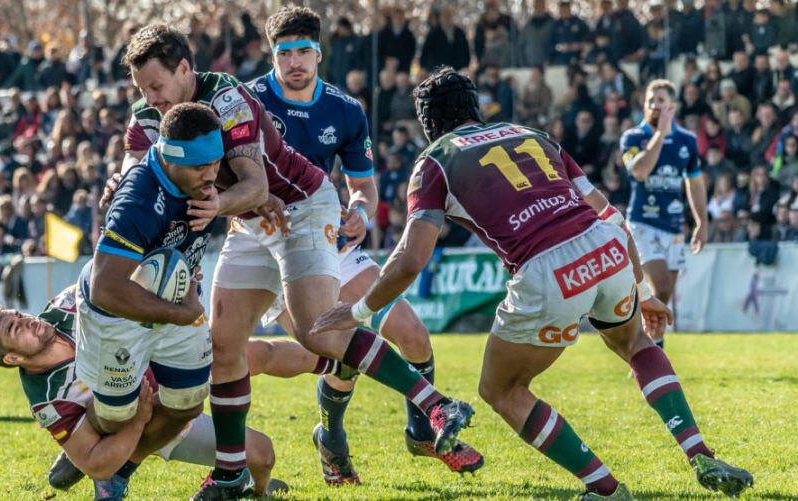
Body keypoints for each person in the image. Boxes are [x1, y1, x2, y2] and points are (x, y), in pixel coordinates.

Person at [312, 66, 754, 500]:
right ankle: (700, 454)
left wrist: (358, 311)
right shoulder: (531, 134)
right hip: (606, 247)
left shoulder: (436, 160)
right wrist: (641, 288)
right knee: (636, 343)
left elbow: (410, 260)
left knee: (499, 390)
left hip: (546, 268)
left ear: (428, 124)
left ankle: (605, 489)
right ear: (476, 108)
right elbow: (608, 211)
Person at [117, 25, 475, 500]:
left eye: (157, 86)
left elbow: (257, 186)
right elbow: (133, 174)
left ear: (185, 69)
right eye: (143, 90)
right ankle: (230, 475)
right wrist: (119, 189)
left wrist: (217, 204)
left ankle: (435, 404)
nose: (151, 98)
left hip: (302, 206)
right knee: (224, 347)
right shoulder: (147, 116)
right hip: (249, 221)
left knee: (320, 331)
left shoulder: (226, 99)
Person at [245, 6, 482, 484]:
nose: (294, 62)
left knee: (413, 332)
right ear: (273, 55)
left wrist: (359, 209)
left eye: (303, 52)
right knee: (339, 350)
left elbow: (364, 188)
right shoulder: (247, 102)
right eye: (284, 53)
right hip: (266, 242)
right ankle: (331, 438)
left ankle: (421, 433)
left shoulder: (346, 110)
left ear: (319, 53)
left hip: (329, 238)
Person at [0, 284, 287, 497]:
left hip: (167, 364)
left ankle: (251, 486)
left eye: (20, 315)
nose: (27, 321)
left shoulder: (68, 305)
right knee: (123, 418)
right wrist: (136, 424)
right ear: (12, 358)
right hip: (151, 417)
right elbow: (96, 463)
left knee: (263, 453)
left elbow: (115, 280)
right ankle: (115, 464)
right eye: (15, 328)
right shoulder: (46, 397)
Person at [80, 103, 248, 499]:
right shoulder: (138, 198)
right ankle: (82, 447)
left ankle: (120, 469)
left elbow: (251, 184)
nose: (212, 176)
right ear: (170, 160)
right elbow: (107, 287)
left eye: (216, 162)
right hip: (117, 313)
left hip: (177, 301)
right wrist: (181, 313)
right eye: (200, 168)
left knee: (187, 402)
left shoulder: (202, 167)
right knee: (115, 415)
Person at [620, 80, 709, 349]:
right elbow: (639, 171)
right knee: (658, 283)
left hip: (673, 225)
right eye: (650, 101)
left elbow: (694, 183)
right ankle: (648, 353)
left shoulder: (687, 141)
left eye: (661, 100)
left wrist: (701, 223)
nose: (655, 105)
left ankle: (649, 348)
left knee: (665, 293)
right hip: (642, 222)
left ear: (673, 105)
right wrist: (660, 135)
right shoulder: (633, 137)